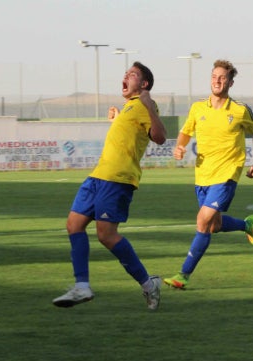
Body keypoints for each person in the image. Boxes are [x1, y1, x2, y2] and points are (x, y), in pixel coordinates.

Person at [52, 61, 167, 310]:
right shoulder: (129, 108)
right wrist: (117, 119)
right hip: (98, 176)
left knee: (106, 235)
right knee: (73, 225)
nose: (126, 76)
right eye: (126, 73)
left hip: (118, 179)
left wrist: (148, 105)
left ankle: (149, 284)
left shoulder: (146, 104)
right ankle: (82, 286)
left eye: (133, 75)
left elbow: (160, 137)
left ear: (144, 84)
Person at [163, 59, 253, 290]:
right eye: (214, 77)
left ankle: (183, 275)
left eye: (222, 78)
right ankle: (246, 225)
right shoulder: (198, 108)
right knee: (213, 226)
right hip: (202, 176)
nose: (217, 81)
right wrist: (179, 146)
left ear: (230, 82)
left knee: (202, 220)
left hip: (227, 174)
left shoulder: (239, 110)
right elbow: (185, 132)